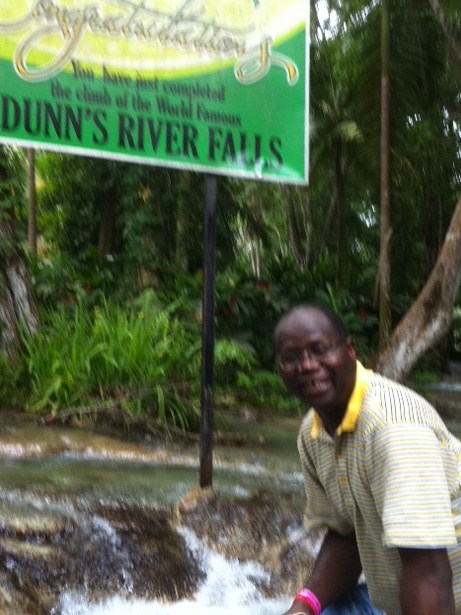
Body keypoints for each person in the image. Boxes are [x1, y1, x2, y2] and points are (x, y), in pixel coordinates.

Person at [274, 302, 461, 615]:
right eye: (291, 358)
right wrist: (303, 606)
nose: (306, 365)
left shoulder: (395, 430)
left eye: (320, 350)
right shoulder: (313, 432)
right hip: (394, 600)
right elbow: (347, 534)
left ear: (350, 351)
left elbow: (429, 570)